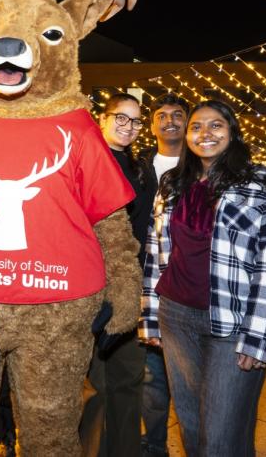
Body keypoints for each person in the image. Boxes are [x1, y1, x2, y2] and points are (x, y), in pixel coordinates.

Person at [140, 100, 266, 457]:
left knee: (221, 438)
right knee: (193, 430)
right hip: (176, 317)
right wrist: (150, 318)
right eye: (196, 126)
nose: (205, 133)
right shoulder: (172, 183)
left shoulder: (261, 182)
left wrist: (260, 336)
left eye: (216, 125)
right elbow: (155, 252)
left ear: (232, 132)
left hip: (232, 322)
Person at [80, 93, 156, 455]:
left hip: (130, 286)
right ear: (103, 119)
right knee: (92, 385)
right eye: (120, 118)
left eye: (135, 121)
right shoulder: (85, 160)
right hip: (91, 286)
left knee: (128, 380)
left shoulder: (141, 170)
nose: (128, 126)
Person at [135, 93, 189, 457]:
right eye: (161, 115)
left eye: (177, 114)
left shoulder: (201, 165)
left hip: (186, 286)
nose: (169, 120)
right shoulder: (138, 167)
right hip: (143, 281)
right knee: (152, 375)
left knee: (189, 374)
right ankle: (155, 446)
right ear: (152, 125)